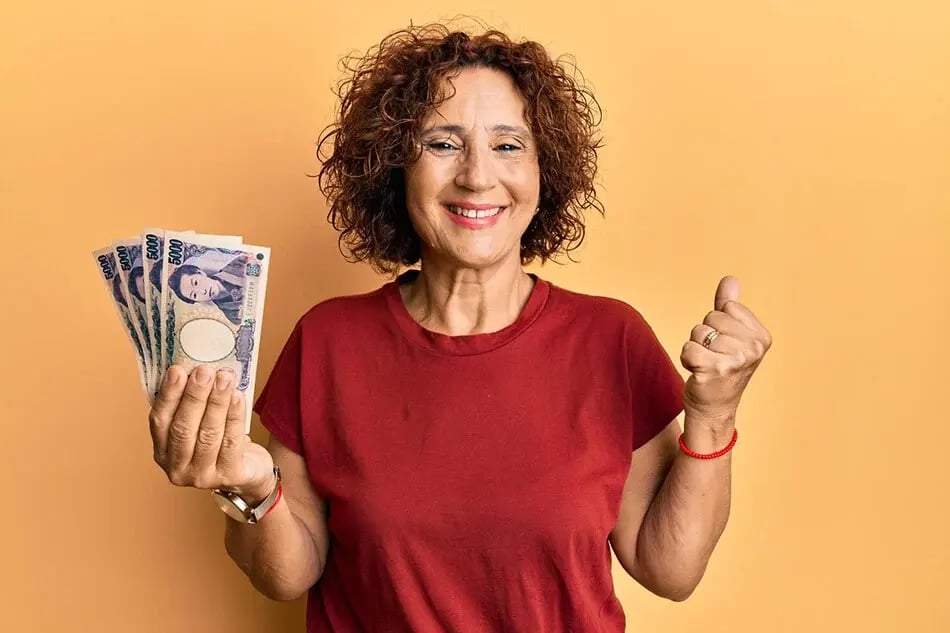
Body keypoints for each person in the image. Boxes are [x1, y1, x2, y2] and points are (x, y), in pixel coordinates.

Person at [146, 23, 772, 632]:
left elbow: (672, 570)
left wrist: (714, 416)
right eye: (443, 143)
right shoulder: (327, 342)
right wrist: (251, 488)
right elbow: (288, 575)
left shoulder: (612, 339)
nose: (477, 175)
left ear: (541, 170)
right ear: (395, 166)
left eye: (507, 145)